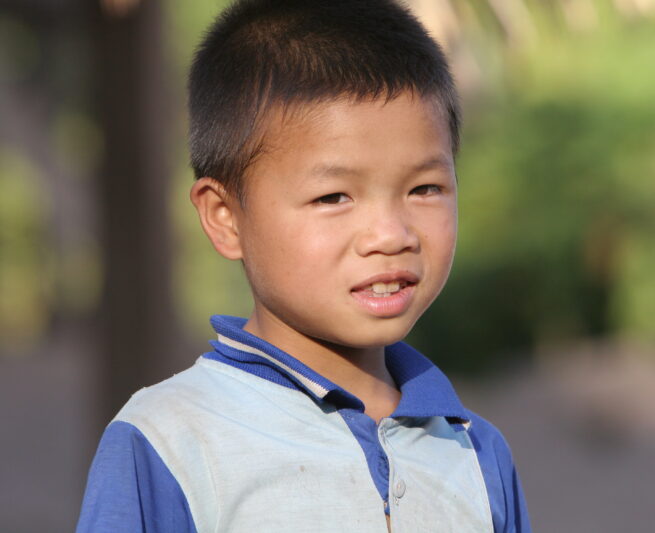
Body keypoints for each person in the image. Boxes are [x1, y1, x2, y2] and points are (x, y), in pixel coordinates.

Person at [76, 0, 531, 531]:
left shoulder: (475, 452)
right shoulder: (168, 441)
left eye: (424, 188)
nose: (391, 235)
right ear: (225, 217)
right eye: (334, 197)